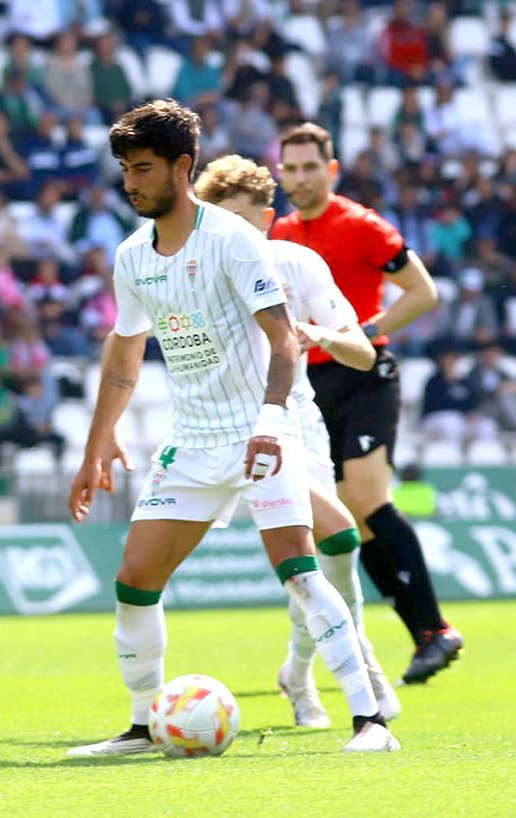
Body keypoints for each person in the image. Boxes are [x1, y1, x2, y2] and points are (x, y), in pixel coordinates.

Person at [66, 101, 397, 757]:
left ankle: (372, 725)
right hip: (191, 443)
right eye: (126, 171)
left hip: (258, 435)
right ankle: (140, 726)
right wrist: (97, 441)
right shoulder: (133, 256)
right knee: (134, 581)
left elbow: (283, 343)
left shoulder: (232, 241)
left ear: (181, 167)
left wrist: (272, 423)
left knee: (301, 573)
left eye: (142, 169)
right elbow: (124, 352)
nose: (130, 183)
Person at [195, 153, 401, 728]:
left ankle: (308, 669)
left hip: (296, 424)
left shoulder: (297, 264)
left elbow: (362, 353)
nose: (231, 233)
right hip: (223, 430)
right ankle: (356, 668)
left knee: (324, 552)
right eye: (219, 220)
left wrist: (318, 335)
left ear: (267, 219)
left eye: (243, 221)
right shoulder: (195, 272)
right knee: (325, 548)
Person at [271, 122, 460, 684]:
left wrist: (365, 329)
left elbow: (424, 292)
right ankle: (427, 633)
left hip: (366, 375)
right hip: (312, 386)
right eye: (291, 168)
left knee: (365, 498)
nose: (299, 178)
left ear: (330, 171)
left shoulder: (361, 225)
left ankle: (435, 630)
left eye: (310, 168)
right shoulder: (278, 232)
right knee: (350, 516)